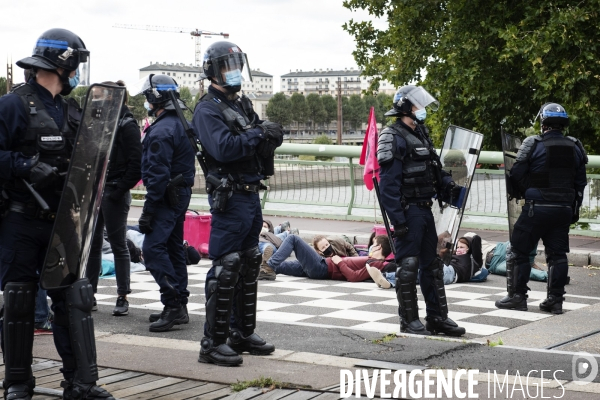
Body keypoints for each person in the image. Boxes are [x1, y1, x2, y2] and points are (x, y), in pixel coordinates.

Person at [0, 29, 115, 399]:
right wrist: (25, 165)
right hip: (21, 218)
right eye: (77, 63)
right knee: (19, 300)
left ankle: (81, 383)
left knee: (73, 300)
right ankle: (18, 382)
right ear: (63, 63)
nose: (78, 72)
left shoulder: (71, 110)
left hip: (62, 222)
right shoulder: (12, 106)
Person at [192, 41, 283, 366]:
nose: (233, 71)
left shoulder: (242, 103)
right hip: (229, 197)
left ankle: (241, 333)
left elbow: (257, 134)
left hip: (250, 192)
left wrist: (270, 134)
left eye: (235, 65)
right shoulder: (207, 109)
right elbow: (223, 149)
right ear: (214, 71)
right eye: (226, 66)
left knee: (248, 262)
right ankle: (212, 343)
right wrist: (259, 135)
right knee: (226, 266)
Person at [376, 85, 466, 337]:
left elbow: (435, 171)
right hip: (409, 211)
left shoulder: (421, 133)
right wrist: (398, 220)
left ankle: (437, 318)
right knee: (408, 265)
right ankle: (409, 320)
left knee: (433, 265)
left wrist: (448, 186)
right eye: (418, 106)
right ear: (406, 108)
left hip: (427, 209)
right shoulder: (392, 136)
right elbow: (388, 186)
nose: (423, 110)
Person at [495, 103, 587, 314]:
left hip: (537, 208)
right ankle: (555, 301)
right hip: (563, 208)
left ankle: (518, 297)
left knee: (519, 250)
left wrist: (531, 191)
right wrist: (573, 207)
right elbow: (580, 183)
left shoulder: (532, 143)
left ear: (543, 122)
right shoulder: (576, 146)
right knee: (558, 255)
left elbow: (516, 172)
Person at [137, 74, 196, 332]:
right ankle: (180, 305)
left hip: (165, 196)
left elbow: (158, 175)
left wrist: (148, 211)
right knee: (172, 247)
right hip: (179, 194)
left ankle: (172, 304)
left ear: (154, 98)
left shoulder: (161, 130)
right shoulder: (180, 124)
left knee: (151, 249)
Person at [85, 81, 142, 317]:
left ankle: (122, 295)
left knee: (118, 245)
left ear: (111, 98)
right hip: (98, 190)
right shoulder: (101, 122)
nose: (96, 101)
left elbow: (136, 165)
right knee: (93, 245)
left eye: (99, 97)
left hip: (113, 191)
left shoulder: (127, 125)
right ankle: (89, 293)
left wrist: (118, 190)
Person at [368, 235, 489, 289]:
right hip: (444, 266)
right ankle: (388, 280)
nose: (459, 250)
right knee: (418, 272)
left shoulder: (474, 262)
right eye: (458, 247)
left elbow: (477, 241)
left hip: (452, 273)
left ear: (469, 249)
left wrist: (467, 237)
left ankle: (387, 277)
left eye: (462, 247)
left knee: (420, 273)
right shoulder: (452, 256)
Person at [267, 234, 392, 281]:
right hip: (323, 264)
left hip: (323, 267)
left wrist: (339, 262)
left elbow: (354, 276)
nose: (371, 246)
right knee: (280, 267)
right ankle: (256, 268)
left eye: (373, 244)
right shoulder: (374, 262)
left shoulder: (376, 263)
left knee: (293, 239)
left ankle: (268, 265)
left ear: (378, 247)